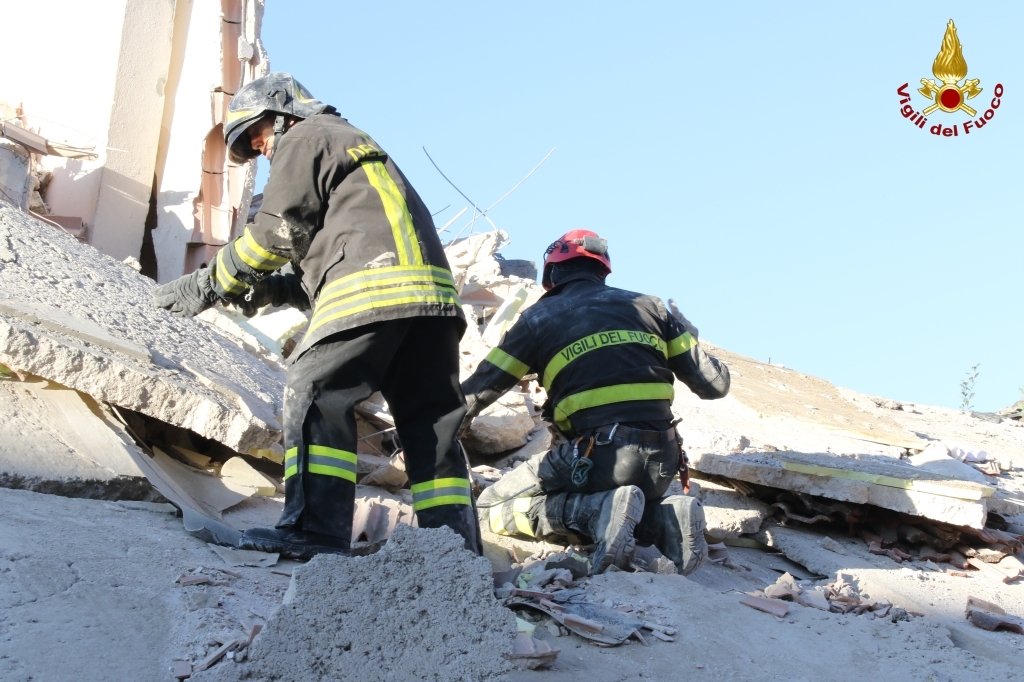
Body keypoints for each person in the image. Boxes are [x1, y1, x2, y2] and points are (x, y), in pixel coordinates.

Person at [153, 72, 480, 558]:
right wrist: (272, 289)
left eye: (257, 135)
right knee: (429, 423)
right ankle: (454, 553)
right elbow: (339, 257)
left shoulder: (306, 136)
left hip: (375, 291)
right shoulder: (355, 149)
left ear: (282, 114)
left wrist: (207, 285)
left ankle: (315, 531)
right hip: (431, 310)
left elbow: (275, 234)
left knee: (316, 391)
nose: (261, 148)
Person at [461, 229, 730, 574]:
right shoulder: (651, 306)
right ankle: (665, 518)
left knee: (490, 507)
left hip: (597, 458)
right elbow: (715, 386)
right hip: (662, 462)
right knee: (624, 496)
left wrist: (436, 436)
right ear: (602, 271)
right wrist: (688, 336)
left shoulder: (537, 319)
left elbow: (479, 391)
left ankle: (596, 512)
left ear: (552, 273)